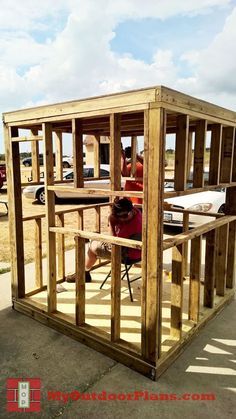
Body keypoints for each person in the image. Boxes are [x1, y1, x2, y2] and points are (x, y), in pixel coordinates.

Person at [84, 198, 142, 282]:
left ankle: (84, 273)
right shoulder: (137, 212)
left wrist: (111, 224)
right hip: (139, 252)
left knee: (92, 246)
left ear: (130, 211)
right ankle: (85, 271)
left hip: (127, 255)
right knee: (96, 241)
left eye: (124, 216)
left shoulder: (131, 227)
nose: (121, 219)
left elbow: (113, 243)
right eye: (118, 217)